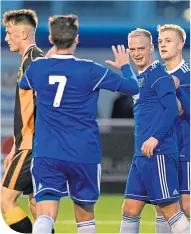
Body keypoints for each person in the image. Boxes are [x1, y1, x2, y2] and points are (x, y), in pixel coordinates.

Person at [18, 14, 139, 234]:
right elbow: (133, 87)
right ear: (77, 39)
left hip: (48, 152)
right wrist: (124, 66)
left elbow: (23, 83)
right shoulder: (91, 70)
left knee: (45, 215)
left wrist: (50, 56)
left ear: (52, 39)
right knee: (85, 219)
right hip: (83, 154)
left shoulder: (37, 68)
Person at [109, 28, 190, 234]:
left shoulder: (159, 76)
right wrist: (125, 67)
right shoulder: (142, 76)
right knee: (130, 208)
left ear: (151, 48)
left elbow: (173, 108)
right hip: (142, 155)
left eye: (141, 48)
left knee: (170, 209)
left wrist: (154, 138)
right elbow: (134, 86)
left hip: (159, 153)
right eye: (132, 49)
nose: (136, 53)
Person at [1, 9, 44, 233]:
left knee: (5, 200)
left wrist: (23, 146)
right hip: (32, 144)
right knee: (37, 205)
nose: (6, 37)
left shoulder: (34, 61)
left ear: (24, 33)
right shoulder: (32, 59)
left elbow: (43, 104)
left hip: (31, 144)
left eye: (9, 32)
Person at [154, 24, 190, 233]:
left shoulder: (187, 75)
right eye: (160, 41)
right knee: (163, 206)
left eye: (168, 41)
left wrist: (177, 91)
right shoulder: (157, 75)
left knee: (186, 205)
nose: (163, 45)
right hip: (163, 150)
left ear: (181, 44)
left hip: (185, 148)